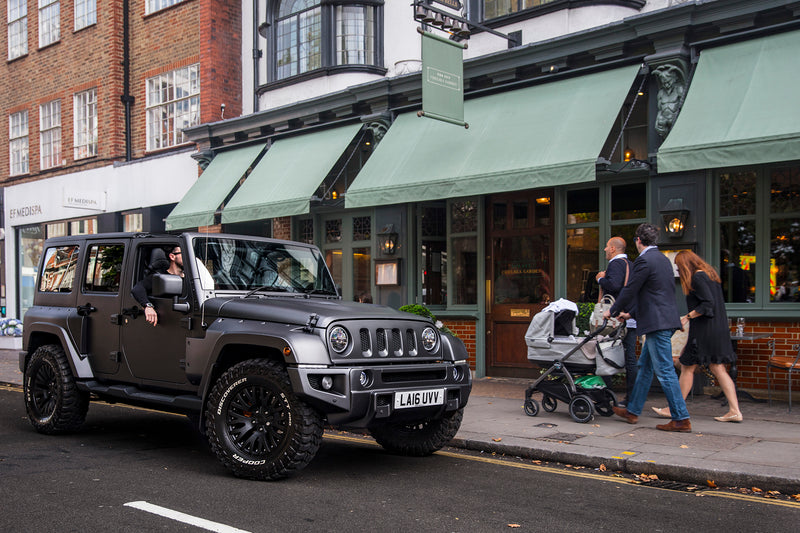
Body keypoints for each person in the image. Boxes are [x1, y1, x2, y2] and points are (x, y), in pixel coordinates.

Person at [603, 223, 692, 432]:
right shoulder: (662, 259)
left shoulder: (644, 260)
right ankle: (633, 411)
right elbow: (654, 293)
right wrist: (631, 313)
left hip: (657, 323)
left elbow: (631, 289)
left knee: (664, 370)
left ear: (638, 241)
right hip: (664, 319)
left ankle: (681, 418)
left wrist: (613, 310)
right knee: (645, 367)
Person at [651, 251, 743, 422]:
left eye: (678, 266)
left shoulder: (698, 278)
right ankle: (735, 410)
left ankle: (674, 408)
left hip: (704, 331)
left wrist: (687, 317)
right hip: (717, 329)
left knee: (687, 367)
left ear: (686, 264)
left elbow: (708, 304)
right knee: (718, 368)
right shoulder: (709, 275)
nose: (678, 271)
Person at [595, 236, 637, 405]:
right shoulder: (631, 265)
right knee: (630, 359)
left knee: (603, 352)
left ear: (613, 248)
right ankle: (632, 397)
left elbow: (614, 286)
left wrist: (600, 279)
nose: (605, 249)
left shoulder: (615, 264)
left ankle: (607, 395)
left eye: (607, 246)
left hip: (616, 319)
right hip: (630, 317)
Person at [131, 245, 184, 326]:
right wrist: (148, 306)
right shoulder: (159, 276)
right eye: (183, 253)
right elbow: (137, 289)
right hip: (166, 321)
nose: (188, 258)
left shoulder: (192, 278)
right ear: (172, 256)